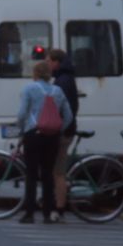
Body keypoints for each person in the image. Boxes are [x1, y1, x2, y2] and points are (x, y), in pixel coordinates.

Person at [16, 59, 72, 224]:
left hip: (33, 134)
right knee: (48, 174)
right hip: (52, 137)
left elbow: (21, 114)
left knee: (31, 174)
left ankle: (29, 213)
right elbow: (68, 116)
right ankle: (48, 213)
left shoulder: (29, 89)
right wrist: (58, 129)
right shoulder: (58, 91)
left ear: (35, 74)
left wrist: (22, 128)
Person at [46, 47, 81, 209]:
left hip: (64, 131)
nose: (47, 64)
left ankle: (59, 206)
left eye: (48, 61)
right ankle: (56, 201)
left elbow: (65, 110)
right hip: (66, 128)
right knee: (56, 170)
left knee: (58, 172)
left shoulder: (63, 81)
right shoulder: (65, 78)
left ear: (56, 62)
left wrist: (59, 128)